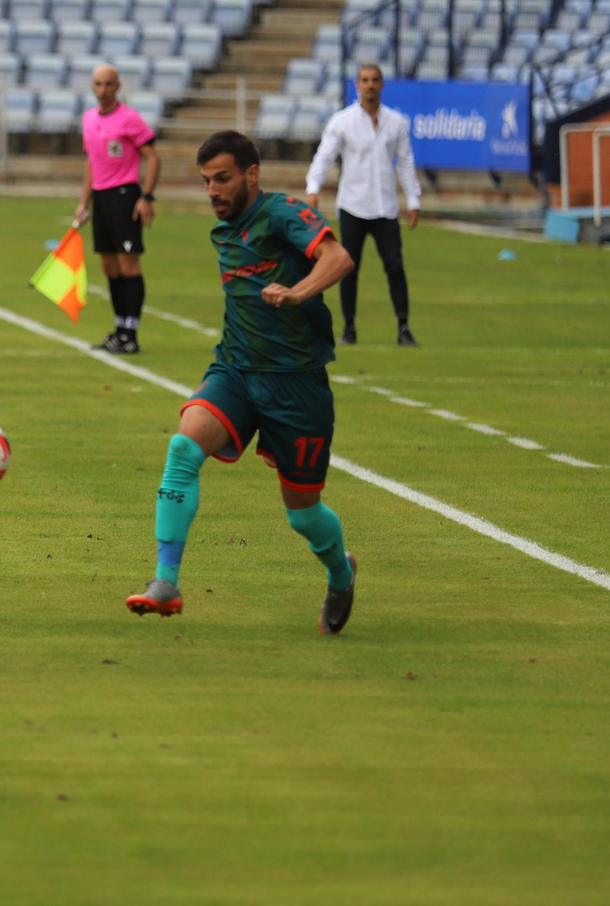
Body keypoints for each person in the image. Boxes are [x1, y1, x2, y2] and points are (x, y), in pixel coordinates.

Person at [128, 131, 361, 634]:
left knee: (303, 514)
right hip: (235, 370)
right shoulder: (224, 232)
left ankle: (341, 574)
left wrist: (298, 292)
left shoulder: (282, 213)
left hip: (297, 385)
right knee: (183, 448)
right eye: (206, 181)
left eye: (223, 179)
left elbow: (339, 258)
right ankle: (166, 581)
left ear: (252, 174)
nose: (213, 190)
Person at [304, 62, 421, 347]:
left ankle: (403, 326)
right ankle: (349, 327)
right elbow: (324, 156)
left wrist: (413, 199)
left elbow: (405, 162)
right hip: (352, 205)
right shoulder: (342, 121)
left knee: (395, 265)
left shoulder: (396, 122)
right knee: (348, 267)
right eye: (365, 80)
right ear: (357, 85)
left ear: (382, 84)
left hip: (385, 207)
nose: (370, 85)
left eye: (375, 80)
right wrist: (313, 188)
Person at [73, 63, 161, 355]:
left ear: (118, 86)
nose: (103, 90)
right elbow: (91, 162)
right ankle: (120, 329)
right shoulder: (88, 118)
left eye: (108, 84)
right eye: (98, 84)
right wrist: (84, 202)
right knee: (109, 266)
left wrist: (146, 197)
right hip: (101, 198)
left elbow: (153, 158)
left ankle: (131, 334)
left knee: (128, 264)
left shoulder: (129, 118)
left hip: (125, 196)